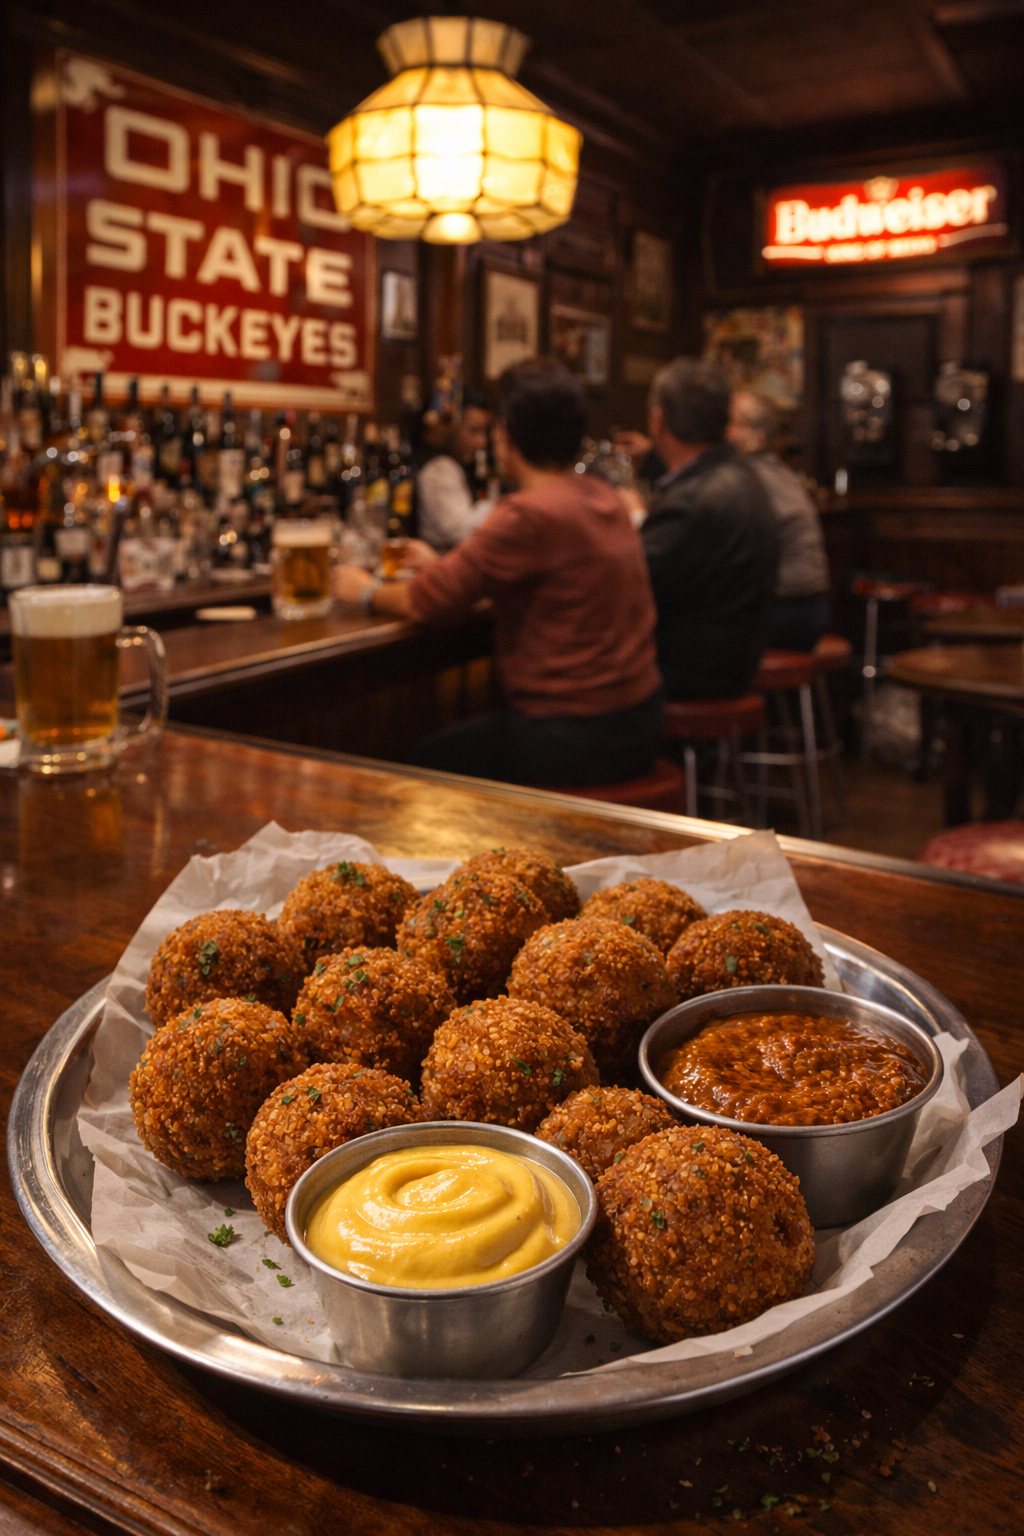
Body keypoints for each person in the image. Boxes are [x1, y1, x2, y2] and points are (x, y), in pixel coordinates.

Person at [332, 359, 663, 788]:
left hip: (574, 734)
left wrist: (364, 590)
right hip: (641, 720)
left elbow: (425, 602)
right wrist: (441, 565)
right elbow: (537, 577)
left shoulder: (528, 512)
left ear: (503, 435)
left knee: (415, 771)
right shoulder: (605, 496)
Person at [640, 359, 778, 700]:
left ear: (658, 422)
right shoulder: (744, 476)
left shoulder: (691, 500)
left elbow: (632, 586)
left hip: (693, 670)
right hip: (735, 659)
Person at [728, 389, 832, 653]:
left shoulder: (749, 477)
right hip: (809, 610)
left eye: (732, 423)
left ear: (758, 438)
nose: (722, 431)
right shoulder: (779, 473)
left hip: (785, 612)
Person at [414, 389, 497, 553]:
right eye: (473, 430)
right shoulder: (439, 467)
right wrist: (505, 505)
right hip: (438, 562)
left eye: (484, 432)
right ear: (449, 427)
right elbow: (460, 530)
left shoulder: (462, 465)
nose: (482, 442)